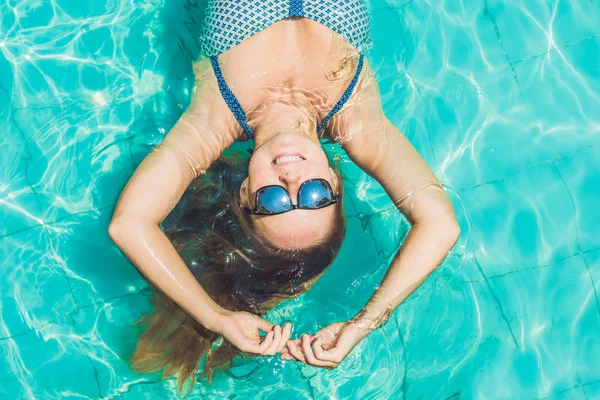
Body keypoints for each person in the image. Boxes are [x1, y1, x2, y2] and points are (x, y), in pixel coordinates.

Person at [108, 0, 460, 395]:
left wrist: (216, 317)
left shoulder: (214, 120)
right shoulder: (358, 122)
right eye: (314, 194)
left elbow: (130, 223)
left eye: (273, 200)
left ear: (245, 192)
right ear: (334, 181)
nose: (291, 177)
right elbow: (440, 223)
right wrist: (363, 324)